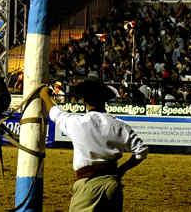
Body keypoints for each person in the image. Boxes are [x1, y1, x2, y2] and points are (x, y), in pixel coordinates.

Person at [41, 78, 148, 212]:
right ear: (104, 100)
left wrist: (44, 95)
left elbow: (55, 113)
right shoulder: (118, 125)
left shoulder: (77, 123)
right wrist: (122, 170)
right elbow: (142, 150)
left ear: (84, 101)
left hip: (88, 185)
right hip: (112, 185)